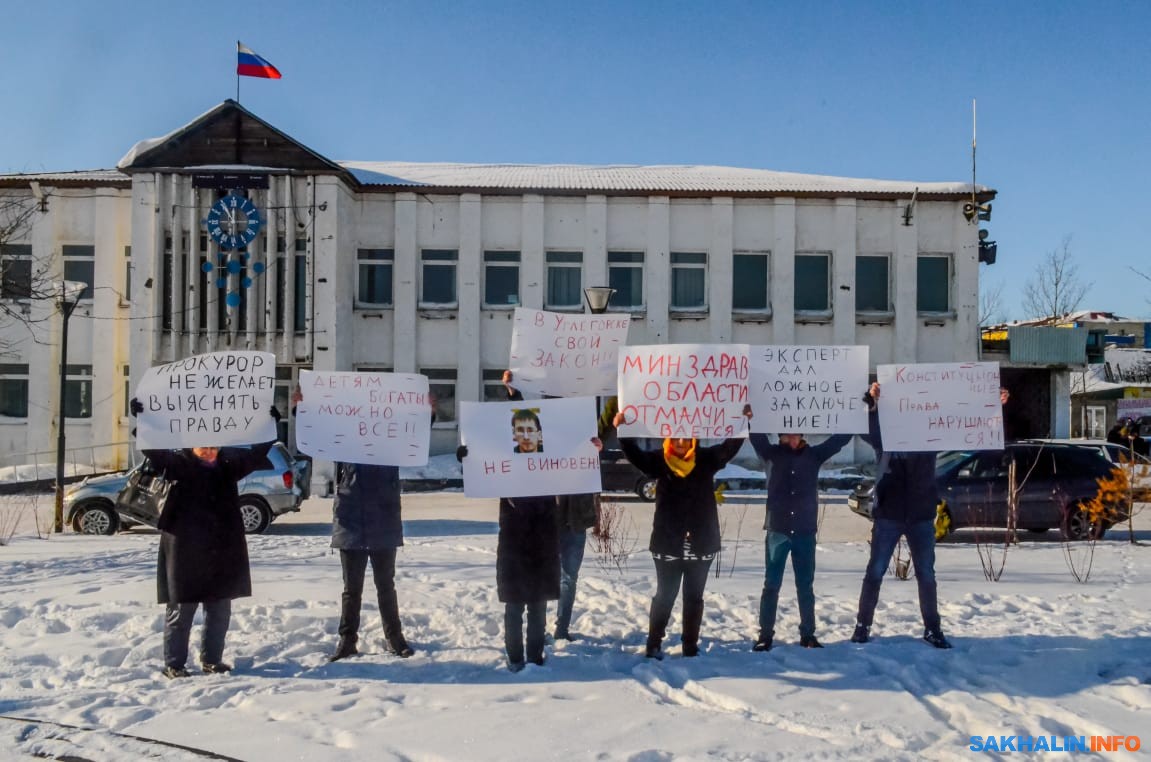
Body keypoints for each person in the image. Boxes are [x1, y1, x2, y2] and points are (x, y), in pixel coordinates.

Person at [130, 398, 280, 679]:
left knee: (219, 609)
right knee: (182, 610)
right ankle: (174, 663)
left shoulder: (227, 467)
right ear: (191, 447)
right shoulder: (178, 465)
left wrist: (272, 424)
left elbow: (258, 452)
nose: (210, 452)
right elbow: (152, 449)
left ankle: (212, 659)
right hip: (185, 550)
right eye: (204, 447)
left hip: (221, 549)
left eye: (214, 446)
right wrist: (142, 419)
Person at [292, 386, 430, 662]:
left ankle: (395, 637)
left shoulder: (392, 443)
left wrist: (428, 412)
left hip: (384, 519)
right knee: (351, 588)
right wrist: (299, 409)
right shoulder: (344, 441)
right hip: (350, 519)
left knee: (385, 585)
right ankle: (347, 639)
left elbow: (414, 435)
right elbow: (315, 436)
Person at [613, 405, 752, 659]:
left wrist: (743, 422)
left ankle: (690, 644)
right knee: (665, 595)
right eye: (676, 436)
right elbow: (634, 455)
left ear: (693, 439)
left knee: (694, 597)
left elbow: (728, 449)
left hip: (702, 541)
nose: (680, 441)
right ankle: (654, 643)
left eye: (686, 437)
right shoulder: (659, 461)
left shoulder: (706, 460)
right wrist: (622, 428)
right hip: (667, 543)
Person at [501, 370, 616, 640]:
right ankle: (535, 629)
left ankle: (561, 629)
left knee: (568, 577)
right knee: (537, 573)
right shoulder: (538, 436)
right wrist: (512, 392)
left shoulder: (587, 435)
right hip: (543, 516)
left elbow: (608, 423)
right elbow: (516, 424)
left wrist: (620, 390)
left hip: (574, 517)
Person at [850, 382, 952, 649]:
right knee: (875, 571)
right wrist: (872, 407)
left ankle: (933, 628)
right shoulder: (887, 439)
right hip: (889, 514)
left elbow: (966, 428)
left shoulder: (930, 440)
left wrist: (991, 407)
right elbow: (868, 431)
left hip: (920, 515)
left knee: (926, 574)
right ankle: (862, 625)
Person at [748, 430, 852, 651]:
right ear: (781, 436)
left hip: (805, 530)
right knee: (771, 584)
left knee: (805, 585)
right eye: (788, 435)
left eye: (797, 435)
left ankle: (808, 634)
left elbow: (839, 440)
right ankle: (765, 634)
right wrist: (751, 415)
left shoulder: (813, 455)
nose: (793, 439)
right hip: (778, 529)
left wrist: (858, 414)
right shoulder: (772, 454)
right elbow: (756, 436)